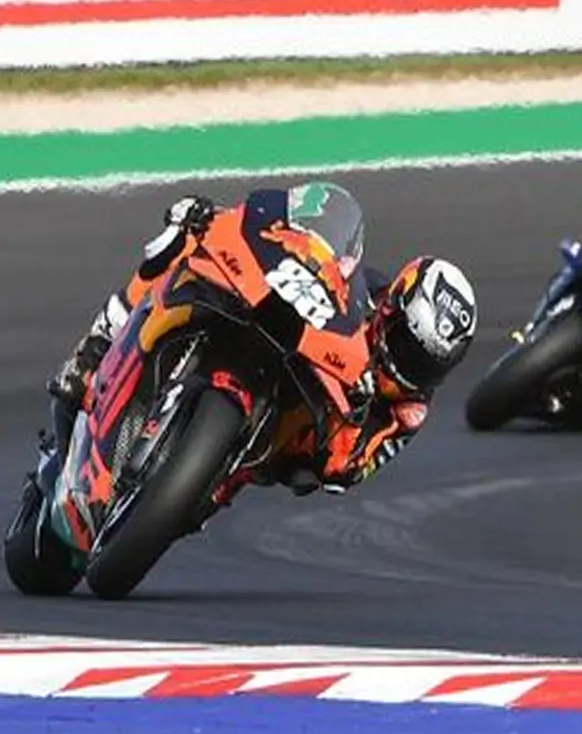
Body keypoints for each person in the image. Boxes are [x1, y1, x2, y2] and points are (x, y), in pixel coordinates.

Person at [40, 183, 478, 508]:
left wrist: (353, 422)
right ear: (391, 310)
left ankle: (182, 501)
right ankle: (99, 342)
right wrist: (227, 224)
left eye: (426, 364)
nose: (407, 365)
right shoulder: (362, 289)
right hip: (280, 344)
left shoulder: (409, 409)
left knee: (238, 484)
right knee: (186, 245)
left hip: (292, 438)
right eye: (406, 345)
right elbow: (307, 251)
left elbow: (350, 470)